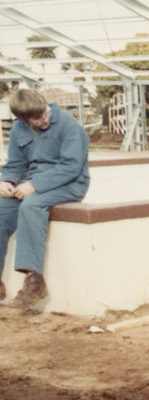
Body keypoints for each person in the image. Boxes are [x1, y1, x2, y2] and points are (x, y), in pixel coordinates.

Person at [0, 88, 90, 308]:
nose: (44, 120)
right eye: (36, 118)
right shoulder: (19, 129)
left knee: (31, 206)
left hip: (69, 184)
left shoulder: (67, 123)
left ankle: (35, 281)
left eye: (43, 113)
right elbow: (15, 164)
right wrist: (6, 181)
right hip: (29, 182)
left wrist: (35, 185)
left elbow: (71, 167)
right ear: (22, 119)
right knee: (1, 209)